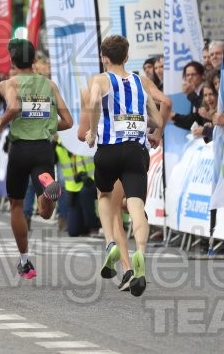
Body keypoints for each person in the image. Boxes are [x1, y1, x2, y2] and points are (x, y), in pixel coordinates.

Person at [83, 35, 164, 298]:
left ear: (104, 57)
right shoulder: (140, 81)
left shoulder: (100, 80)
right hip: (136, 151)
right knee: (136, 204)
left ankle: (110, 244)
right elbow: (157, 117)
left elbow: (95, 102)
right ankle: (140, 250)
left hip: (108, 149)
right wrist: (153, 132)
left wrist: (93, 132)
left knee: (105, 195)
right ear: (127, 57)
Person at [0, 39, 73, 281]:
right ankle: (47, 189)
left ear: (12, 61)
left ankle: (25, 259)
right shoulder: (49, 85)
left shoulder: (9, 83)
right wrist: (46, 125)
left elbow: (13, 107)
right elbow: (68, 122)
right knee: (46, 213)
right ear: (34, 59)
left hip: (20, 149)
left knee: (16, 205)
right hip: (44, 148)